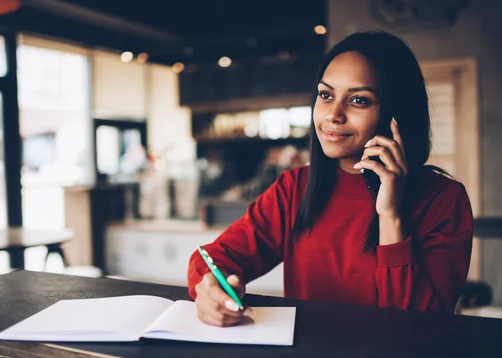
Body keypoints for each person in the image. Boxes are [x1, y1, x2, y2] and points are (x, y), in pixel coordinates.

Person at [187, 31, 474, 327]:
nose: (333, 114)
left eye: (359, 100)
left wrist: (390, 216)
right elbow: (212, 258)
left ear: (395, 113)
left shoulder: (443, 200)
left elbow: (424, 326)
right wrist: (208, 289)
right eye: (326, 95)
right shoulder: (294, 189)